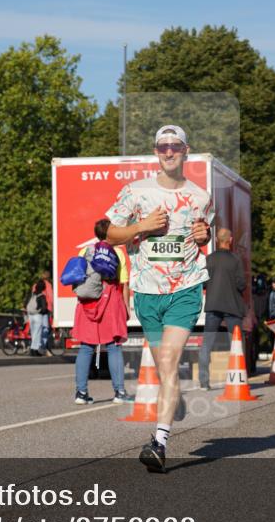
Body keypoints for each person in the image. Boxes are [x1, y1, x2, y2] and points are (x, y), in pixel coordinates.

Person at [105, 124, 213, 473]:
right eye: (163, 146)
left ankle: (159, 442)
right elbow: (108, 233)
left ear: (186, 151)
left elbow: (203, 234)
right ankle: (172, 399)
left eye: (175, 146)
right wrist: (142, 227)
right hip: (148, 293)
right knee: (166, 367)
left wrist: (203, 235)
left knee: (168, 359)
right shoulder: (136, 192)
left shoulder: (200, 196)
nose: (169, 152)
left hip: (185, 288)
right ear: (155, 151)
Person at [72, 221, 131, 404]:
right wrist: (126, 307)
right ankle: (119, 392)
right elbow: (124, 284)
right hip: (110, 301)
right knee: (113, 347)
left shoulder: (85, 251)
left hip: (88, 302)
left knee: (86, 347)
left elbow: (78, 278)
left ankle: (81, 394)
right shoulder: (118, 253)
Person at [198, 228, 246, 390]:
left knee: (207, 344)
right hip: (232, 306)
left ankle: (204, 382)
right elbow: (241, 284)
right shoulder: (236, 260)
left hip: (212, 306)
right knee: (237, 343)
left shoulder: (208, 260)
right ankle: (238, 378)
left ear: (217, 241)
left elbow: (203, 283)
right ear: (230, 240)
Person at [26, 280, 53, 357]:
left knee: (33, 333)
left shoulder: (32, 294)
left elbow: (26, 303)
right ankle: (35, 350)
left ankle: (32, 349)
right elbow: (44, 308)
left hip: (31, 315)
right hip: (38, 315)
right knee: (38, 334)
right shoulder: (42, 296)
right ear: (43, 288)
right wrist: (46, 311)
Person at [32, 270, 54, 354]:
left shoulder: (35, 285)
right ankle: (42, 348)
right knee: (45, 328)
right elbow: (51, 298)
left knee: (36, 329)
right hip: (45, 309)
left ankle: (34, 347)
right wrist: (52, 309)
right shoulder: (48, 285)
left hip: (35, 309)